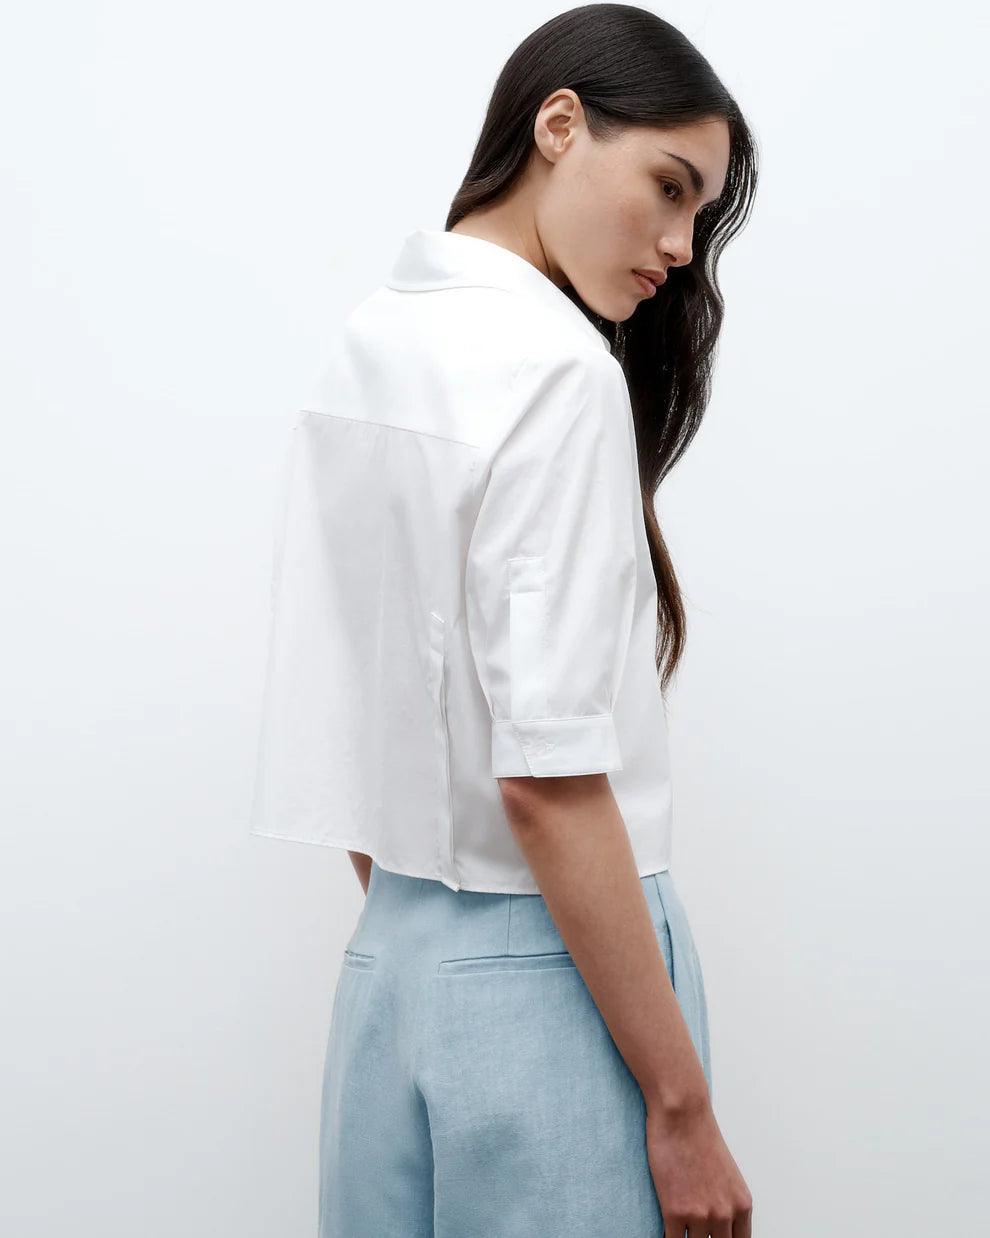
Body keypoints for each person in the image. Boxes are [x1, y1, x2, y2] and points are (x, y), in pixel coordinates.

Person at [249, 5, 759, 1234]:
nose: (681, 246)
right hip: (556, 978)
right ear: (559, 125)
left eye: (701, 216)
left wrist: (434, 902)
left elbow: (362, 714)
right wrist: (682, 1106)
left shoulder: (370, 341)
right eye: (670, 187)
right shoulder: (557, 372)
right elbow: (546, 781)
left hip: (390, 964)